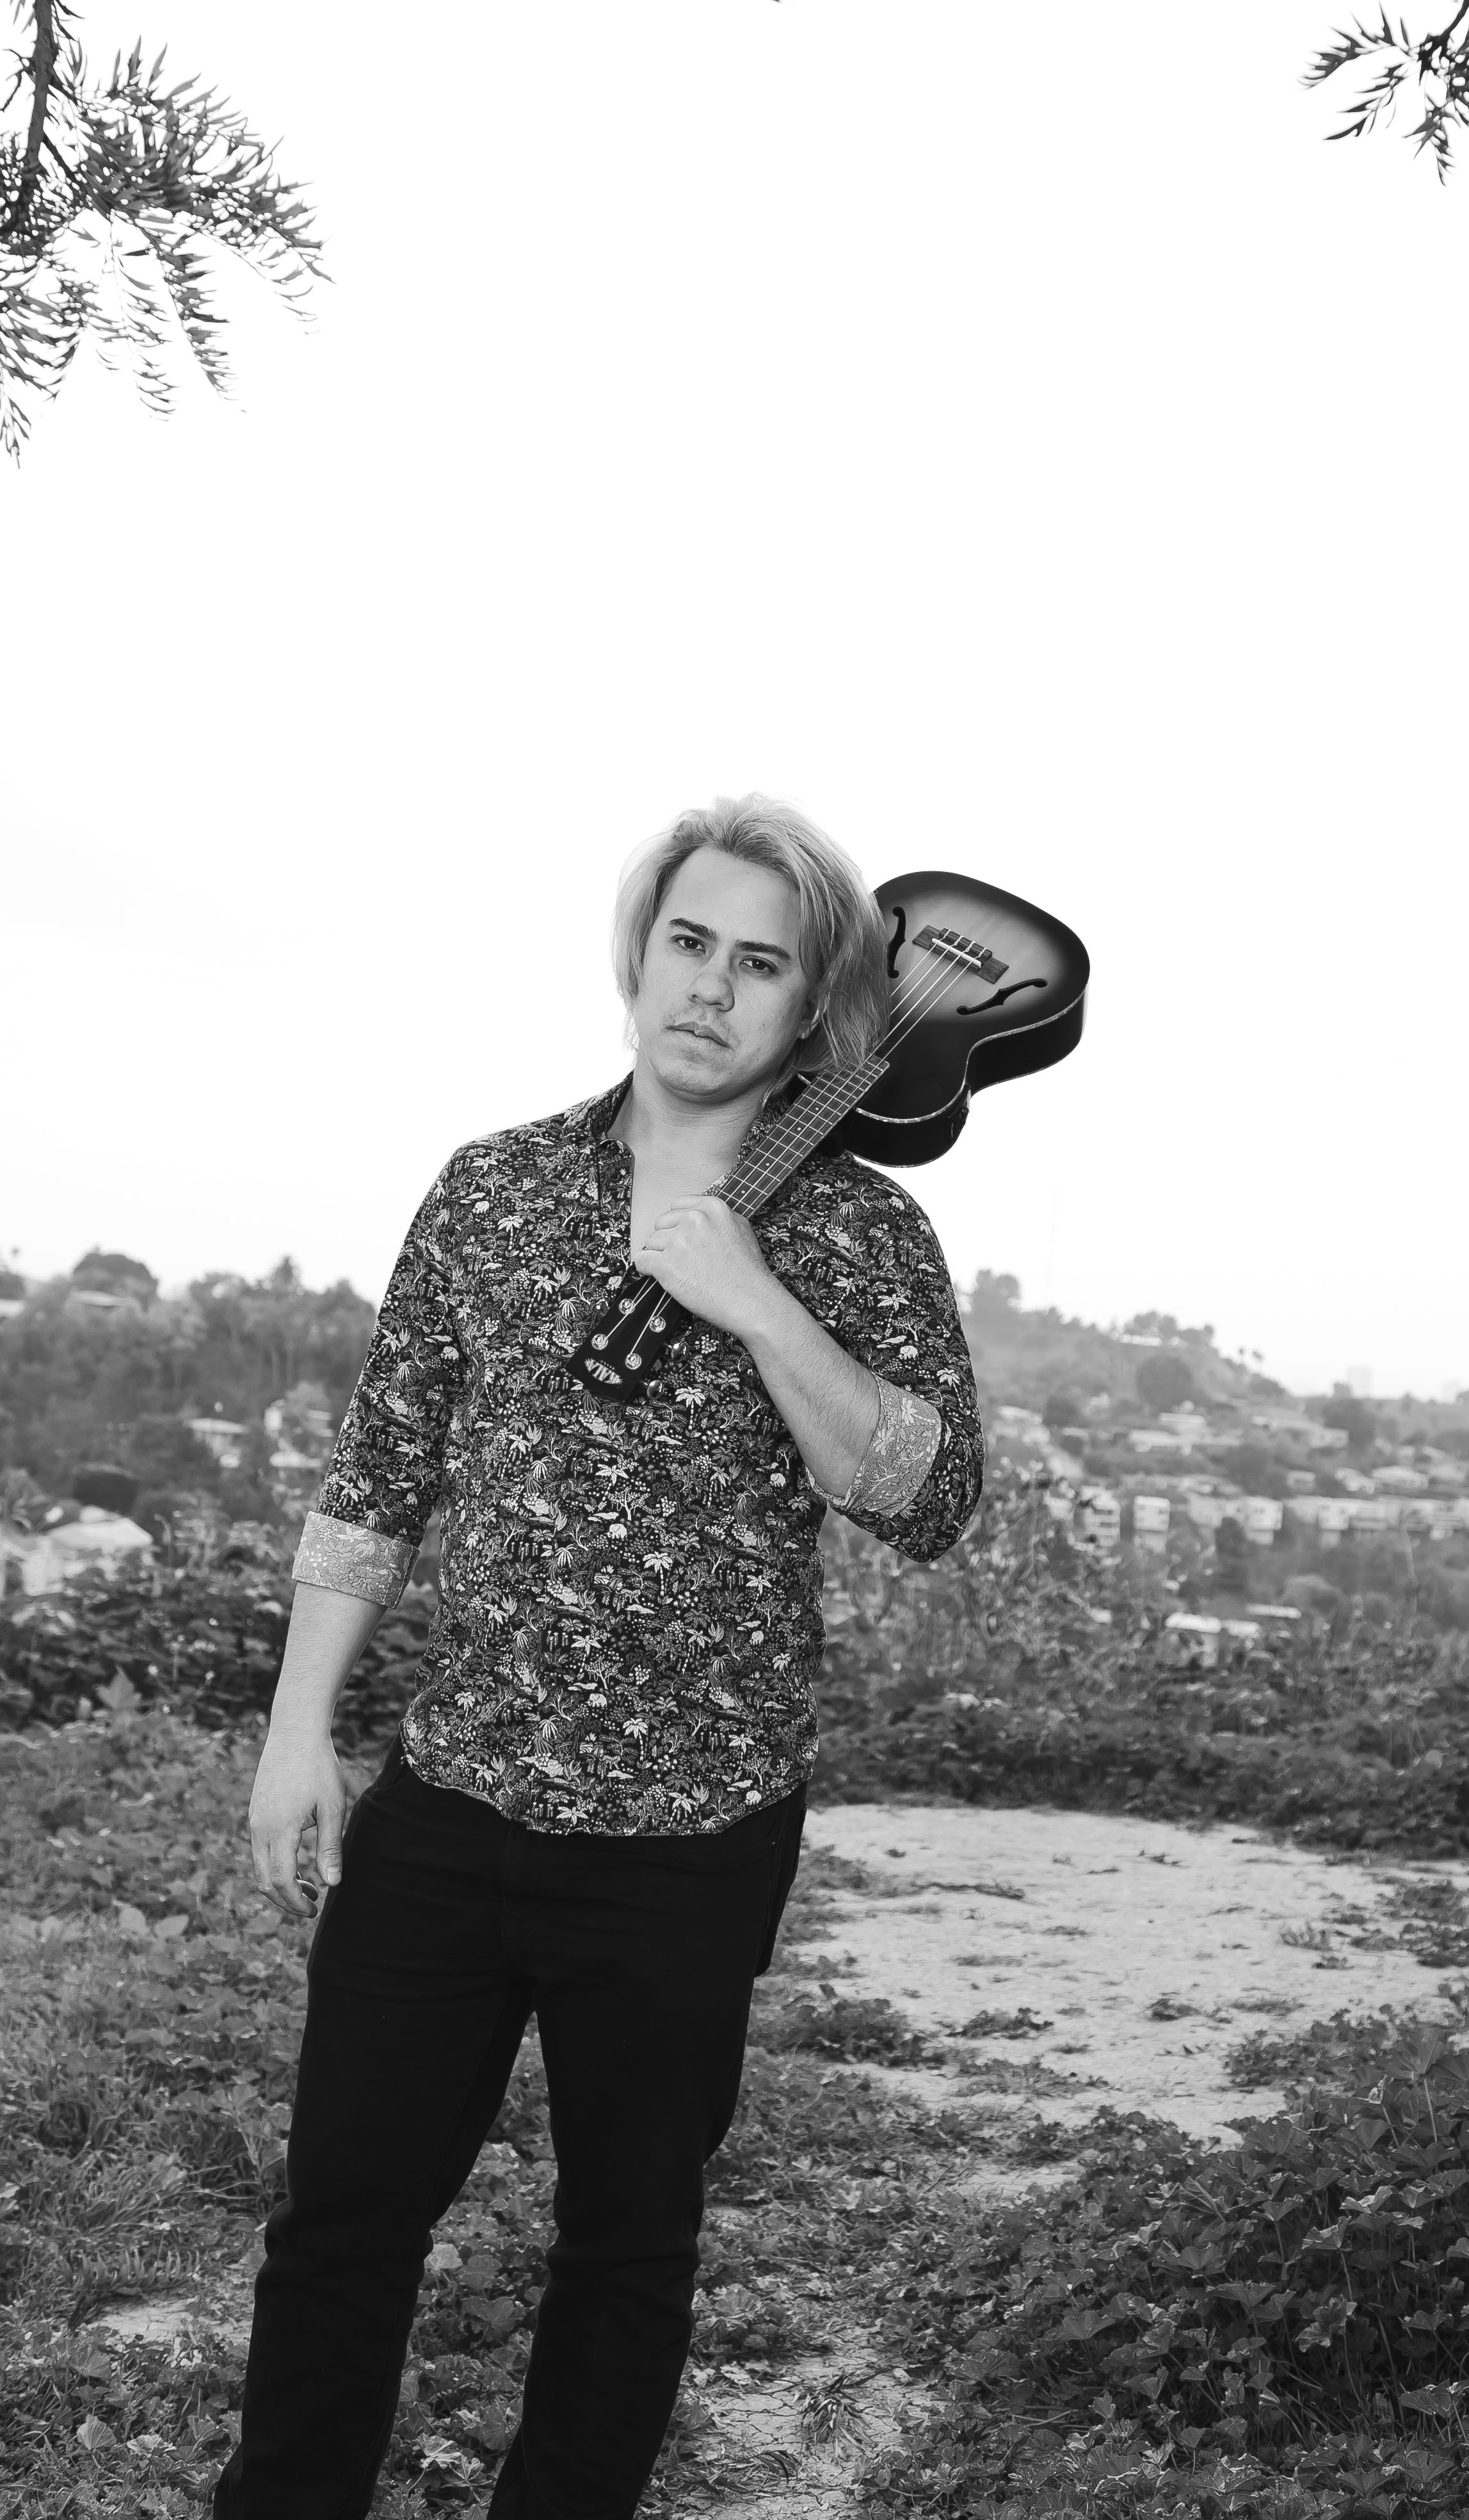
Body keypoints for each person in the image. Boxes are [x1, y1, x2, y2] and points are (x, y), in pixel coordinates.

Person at [215, 795, 984, 2519]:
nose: (713, 989)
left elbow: (928, 1501)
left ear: (814, 1009)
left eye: (763, 964)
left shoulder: (860, 1239)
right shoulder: (492, 1190)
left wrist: (755, 1300)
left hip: (693, 1841)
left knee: (626, 2252)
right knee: (338, 2225)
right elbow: (379, 1472)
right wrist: (296, 1730)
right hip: (451, 1806)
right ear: (641, 954)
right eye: (692, 942)